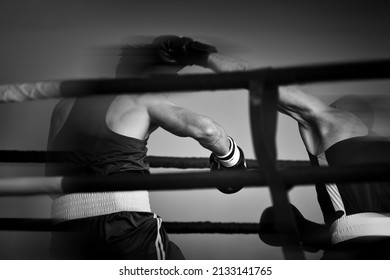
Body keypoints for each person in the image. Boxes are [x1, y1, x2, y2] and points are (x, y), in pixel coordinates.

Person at [45, 35, 246, 260]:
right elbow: (208, 131)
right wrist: (233, 160)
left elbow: (52, 183)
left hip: (66, 234)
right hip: (126, 229)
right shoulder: (142, 99)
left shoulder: (64, 106)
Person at [203, 49, 390, 259]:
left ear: (341, 109)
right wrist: (307, 230)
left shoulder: (332, 120)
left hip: (353, 249)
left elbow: (257, 79)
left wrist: (200, 55)